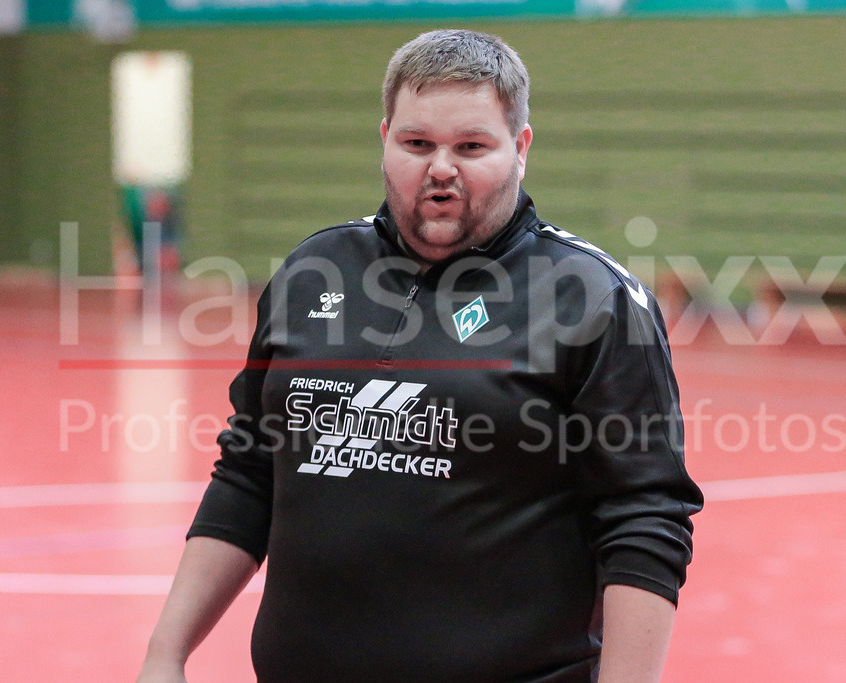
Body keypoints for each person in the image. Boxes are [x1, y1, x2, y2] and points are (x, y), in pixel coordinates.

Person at [138, 29, 702, 683]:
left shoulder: (592, 298)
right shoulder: (313, 271)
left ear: (519, 148)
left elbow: (643, 519)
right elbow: (249, 472)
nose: (441, 168)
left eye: (471, 146)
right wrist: (166, 651)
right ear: (384, 138)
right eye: (417, 143)